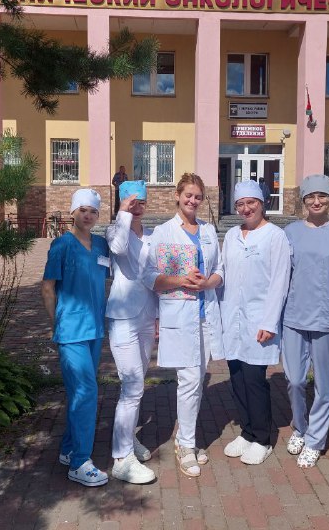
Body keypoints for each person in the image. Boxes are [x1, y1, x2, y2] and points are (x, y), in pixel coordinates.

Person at [142, 172, 224, 478]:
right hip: (179, 316)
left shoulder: (208, 230)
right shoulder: (163, 232)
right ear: (177, 196)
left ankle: (185, 438)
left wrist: (207, 283)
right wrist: (182, 280)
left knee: (197, 379)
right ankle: (186, 444)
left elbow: (220, 270)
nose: (193, 201)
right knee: (189, 381)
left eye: (198, 197)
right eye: (188, 195)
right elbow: (149, 277)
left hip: (205, 315)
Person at [282, 175, 329, 468]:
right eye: (310, 196)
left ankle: (315, 440)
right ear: (303, 200)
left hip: (326, 320)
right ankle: (300, 427)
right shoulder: (290, 232)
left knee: (324, 385)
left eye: (322, 196)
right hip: (293, 317)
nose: (316, 201)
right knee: (294, 380)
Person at [41, 188, 111, 487]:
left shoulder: (101, 245)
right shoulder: (61, 245)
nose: (88, 215)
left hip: (94, 329)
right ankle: (80, 463)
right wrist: (56, 324)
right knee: (86, 392)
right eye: (82, 210)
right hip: (71, 331)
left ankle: (69, 448)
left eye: (93, 211)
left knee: (80, 393)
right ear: (72, 212)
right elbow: (48, 288)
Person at [220, 180, 290, 465]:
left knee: (254, 380)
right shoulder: (231, 236)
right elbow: (223, 273)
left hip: (259, 320)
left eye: (251, 202)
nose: (246, 208)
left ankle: (262, 438)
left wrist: (270, 322)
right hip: (232, 318)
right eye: (240, 204)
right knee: (236, 377)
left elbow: (280, 281)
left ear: (262, 204)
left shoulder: (276, 236)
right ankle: (247, 432)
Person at [105, 180, 157, 484]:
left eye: (141, 202)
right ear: (123, 203)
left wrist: (159, 317)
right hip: (123, 318)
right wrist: (123, 212)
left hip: (146, 317)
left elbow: (155, 276)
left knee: (138, 385)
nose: (138, 208)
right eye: (132, 202)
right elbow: (119, 248)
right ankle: (121, 459)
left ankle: (128, 440)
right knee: (132, 385)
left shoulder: (151, 235)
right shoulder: (115, 230)